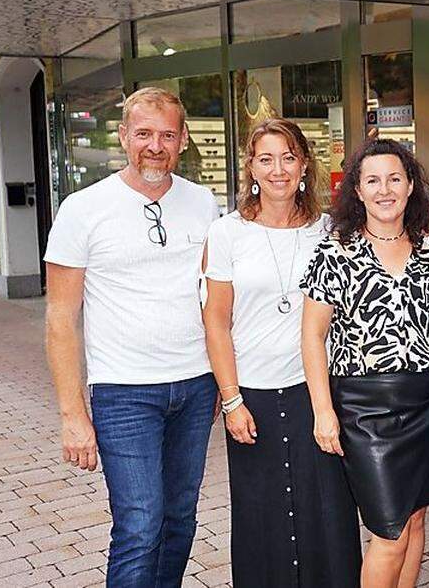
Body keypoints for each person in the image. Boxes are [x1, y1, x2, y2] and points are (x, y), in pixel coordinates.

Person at [43, 87, 221, 587]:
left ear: (183, 140)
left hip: (195, 387)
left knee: (180, 518)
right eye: (143, 133)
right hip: (124, 394)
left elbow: (217, 299)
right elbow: (60, 319)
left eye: (167, 134)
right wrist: (73, 415)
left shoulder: (203, 203)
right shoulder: (83, 209)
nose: (155, 145)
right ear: (123, 136)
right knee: (140, 525)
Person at [202, 118, 361, 587]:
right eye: (266, 158)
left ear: (305, 165)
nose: (278, 170)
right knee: (260, 513)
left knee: (328, 511)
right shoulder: (227, 233)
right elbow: (216, 321)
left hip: (318, 391)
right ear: (250, 166)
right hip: (252, 393)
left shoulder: (329, 229)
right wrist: (231, 399)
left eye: (288, 157)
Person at [301, 139, 429, 588]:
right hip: (365, 410)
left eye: (394, 179)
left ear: (410, 187)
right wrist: (323, 411)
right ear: (358, 191)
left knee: (416, 521)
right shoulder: (335, 252)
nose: (384, 189)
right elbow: (312, 336)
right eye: (373, 181)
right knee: (389, 532)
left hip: (427, 400)